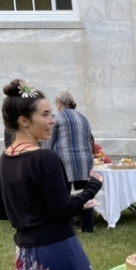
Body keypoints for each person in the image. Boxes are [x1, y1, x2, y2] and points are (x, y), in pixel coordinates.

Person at [0, 79, 104, 270]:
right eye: (45, 114)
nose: (52, 120)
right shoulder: (45, 159)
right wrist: (91, 187)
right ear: (23, 121)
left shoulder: (5, 159)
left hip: (27, 256)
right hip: (59, 249)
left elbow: (0, 211)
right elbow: (62, 209)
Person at [45, 91, 96, 232]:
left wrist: (46, 156)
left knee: (63, 194)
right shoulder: (83, 118)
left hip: (64, 159)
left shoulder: (56, 117)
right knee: (85, 193)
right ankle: (88, 227)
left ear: (59, 104)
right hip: (84, 159)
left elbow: (49, 141)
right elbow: (89, 139)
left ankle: (67, 226)